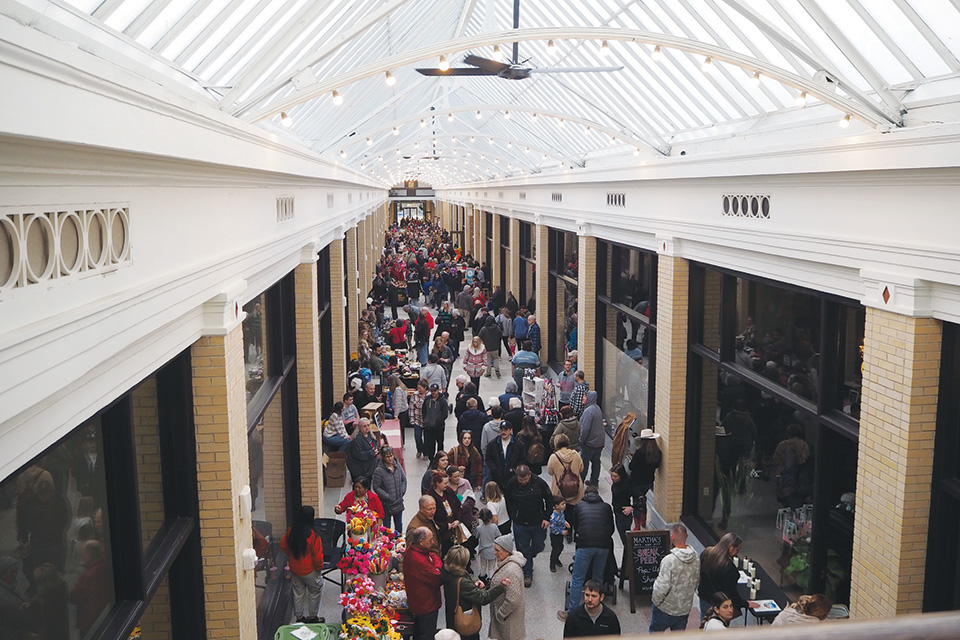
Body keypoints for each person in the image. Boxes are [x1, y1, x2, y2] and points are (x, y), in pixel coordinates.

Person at [560, 483, 614, 620]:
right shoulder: (606, 507)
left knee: (578, 578)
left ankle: (572, 612)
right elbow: (611, 528)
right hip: (603, 545)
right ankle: (596, 608)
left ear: (584, 495)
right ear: (598, 496)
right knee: (597, 577)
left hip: (585, 545)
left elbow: (577, 526)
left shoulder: (578, 506)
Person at [441, 545, 508, 640]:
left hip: (453, 617)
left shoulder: (447, 571)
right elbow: (483, 597)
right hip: (465, 622)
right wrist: (501, 587)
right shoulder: (463, 583)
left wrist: (474, 580)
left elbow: (466, 574)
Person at [505, 465, 551, 587]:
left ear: (530, 474)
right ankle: (527, 573)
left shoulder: (539, 483)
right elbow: (508, 500)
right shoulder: (511, 484)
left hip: (538, 522)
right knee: (523, 549)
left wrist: (546, 517)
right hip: (520, 522)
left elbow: (549, 499)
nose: (524, 482)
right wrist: (512, 516)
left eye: (525, 479)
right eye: (521, 480)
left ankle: (530, 557)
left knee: (539, 545)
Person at [650, 523, 700, 632]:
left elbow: (662, 587)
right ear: (687, 536)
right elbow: (696, 581)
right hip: (684, 608)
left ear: (672, 537)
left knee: (656, 633)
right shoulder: (696, 557)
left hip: (666, 608)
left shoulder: (669, 560)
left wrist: (656, 602)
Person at [280, 506, 325, 624]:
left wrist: (291, 555)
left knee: (298, 592)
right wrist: (319, 568)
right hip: (310, 570)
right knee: (314, 592)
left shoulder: (291, 531)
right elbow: (318, 556)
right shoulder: (313, 536)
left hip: (295, 569)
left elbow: (283, 545)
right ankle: (313, 617)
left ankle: (299, 617)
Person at [404, 527, 444, 640]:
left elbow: (432, 555)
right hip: (426, 605)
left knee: (419, 632)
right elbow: (438, 578)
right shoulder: (420, 560)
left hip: (418, 603)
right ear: (421, 542)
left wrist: (433, 559)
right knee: (427, 634)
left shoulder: (411, 550)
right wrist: (436, 562)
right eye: (430, 540)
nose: (432, 542)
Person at [698, 533, 749, 620]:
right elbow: (731, 592)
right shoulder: (728, 568)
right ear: (730, 547)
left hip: (704, 597)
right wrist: (745, 603)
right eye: (737, 549)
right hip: (720, 603)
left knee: (705, 621)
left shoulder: (706, 552)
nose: (737, 553)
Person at [70, 540, 112, 637]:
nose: (82, 558)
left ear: (89, 555)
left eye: (83, 554)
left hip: (90, 620)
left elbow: (74, 596)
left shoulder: (89, 575)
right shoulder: (106, 566)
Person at [488, 535, 526, 640]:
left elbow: (513, 599)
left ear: (507, 552)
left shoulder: (511, 571)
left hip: (508, 620)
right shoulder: (504, 563)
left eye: (497, 550)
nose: (494, 553)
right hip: (506, 619)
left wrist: (500, 614)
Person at [629, 429, 662, 529]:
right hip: (648, 481)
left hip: (636, 481)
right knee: (642, 499)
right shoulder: (657, 452)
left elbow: (631, 466)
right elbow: (656, 465)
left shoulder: (639, 452)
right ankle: (643, 520)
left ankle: (637, 525)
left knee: (636, 502)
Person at [427, 470, 463, 556]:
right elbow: (431, 518)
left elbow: (457, 506)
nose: (447, 485)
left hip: (454, 527)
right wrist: (446, 526)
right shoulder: (430, 497)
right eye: (445, 483)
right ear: (437, 483)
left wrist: (457, 519)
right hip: (442, 532)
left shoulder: (449, 491)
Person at [373, 447, 407, 532]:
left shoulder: (397, 465)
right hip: (386, 504)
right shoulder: (379, 470)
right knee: (387, 527)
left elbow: (404, 480)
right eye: (387, 456)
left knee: (399, 525)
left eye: (391, 455)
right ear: (383, 457)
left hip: (398, 502)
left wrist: (402, 492)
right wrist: (387, 496)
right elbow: (376, 487)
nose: (390, 458)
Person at [548, 434, 584, 507]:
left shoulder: (553, 457)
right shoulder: (576, 454)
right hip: (576, 489)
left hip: (559, 491)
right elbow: (581, 469)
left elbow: (550, 472)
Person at [486, 421, 524, 491]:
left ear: (510, 430)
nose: (503, 432)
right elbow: (488, 458)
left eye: (506, 430)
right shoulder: (493, 444)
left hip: (513, 478)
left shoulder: (518, 444)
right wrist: (494, 469)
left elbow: (522, 459)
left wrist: (515, 469)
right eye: (501, 430)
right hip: (497, 478)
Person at [578, 391, 606, 484]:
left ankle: (580, 483)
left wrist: (581, 440)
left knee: (584, 464)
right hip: (599, 442)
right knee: (596, 462)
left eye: (584, 396)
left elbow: (585, 429)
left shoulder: (588, 412)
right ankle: (594, 482)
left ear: (589, 398)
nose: (583, 398)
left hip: (590, 443)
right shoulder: (597, 408)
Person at [345, 418, 379, 484]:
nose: (367, 427)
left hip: (369, 468)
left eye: (368, 425)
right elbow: (359, 454)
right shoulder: (357, 439)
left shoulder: (370, 435)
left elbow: (375, 442)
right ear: (360, 427)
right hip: (359, 470)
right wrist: (372, 452)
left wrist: (376, 449)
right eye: (364, 426)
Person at [422, 383, 450, 459]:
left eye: (435, 390)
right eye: (432, 391)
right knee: (431, 444)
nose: (433, 392)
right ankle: (431, 460)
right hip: (429, 427)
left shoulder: (443, 401)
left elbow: (445, 414)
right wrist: (425, 420)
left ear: (438, 390)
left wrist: (438, 422)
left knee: (440, 443)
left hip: (439, 427)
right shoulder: (427, 399)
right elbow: (424, 410)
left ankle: (440, 458)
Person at [609, 464, 634, 544]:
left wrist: (632, 507)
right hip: (617, 512)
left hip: (623, 514)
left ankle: (628, 556)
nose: (613, 478)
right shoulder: (616, 483)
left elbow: (640, 497)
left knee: (626, 540)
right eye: (612, 476)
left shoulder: (627, 484)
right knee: (623, 538)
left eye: (615, 476)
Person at [476, 508, 500, 581]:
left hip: (483, 550)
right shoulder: (494, 527)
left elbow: (477, 536)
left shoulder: (479, 528)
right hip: (492, 550)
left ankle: (482, 578)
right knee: (491, 567)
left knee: (483, 565)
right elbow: (498, 535)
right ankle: (490, 579)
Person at [549, 496, 570, 573]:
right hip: (555, 535)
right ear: (557, 506)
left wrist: (565, 522)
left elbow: (562, 519)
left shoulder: (561, 512)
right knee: (556, 549)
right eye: (563, 504)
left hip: (560, 535)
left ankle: (556, 559)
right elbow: (552, 528)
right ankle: (552, 563)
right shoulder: (553, 517)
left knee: (560, 547)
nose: (565, 505)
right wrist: (561, 531)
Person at [410, 378, 428, 459]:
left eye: (420, 388)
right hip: (417, 420)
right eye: (418, 388)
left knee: (427, 438)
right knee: (417, 437)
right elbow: (411, 408)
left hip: (427, 421)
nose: (419, 390)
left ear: (425, 388)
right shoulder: (414, 395)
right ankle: (419, 450)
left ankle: (426, 452)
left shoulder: (429, 396)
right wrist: (412, 420)